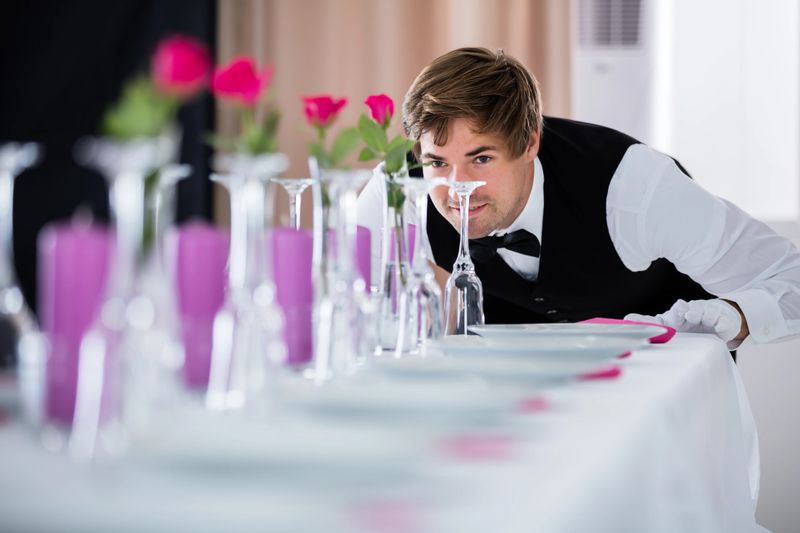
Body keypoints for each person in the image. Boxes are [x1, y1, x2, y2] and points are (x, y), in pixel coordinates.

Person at [357, 47, 800, 349]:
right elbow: (345, 303)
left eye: (482, 158)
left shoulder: (633, 187)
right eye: (437, 162)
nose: (457, 186)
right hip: (509, 392)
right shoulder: (397, 192)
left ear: (529, 143)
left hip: (660, 384)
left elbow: (791, 280)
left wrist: (737, 314)